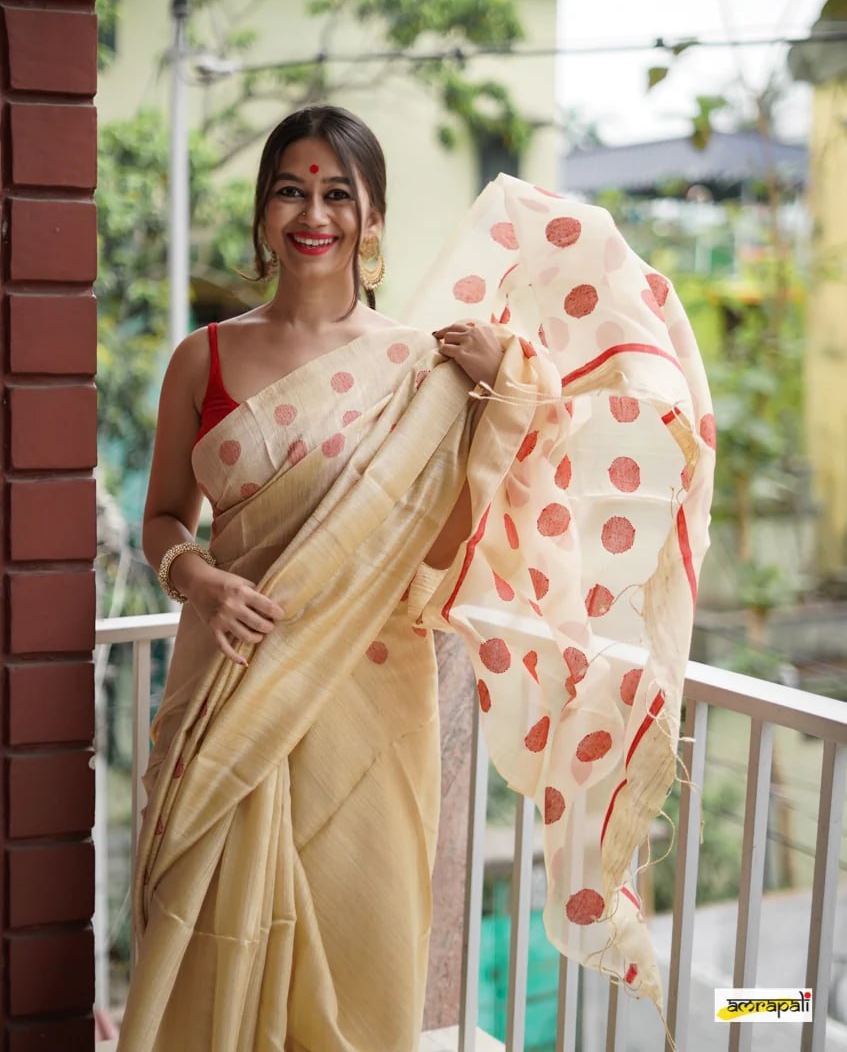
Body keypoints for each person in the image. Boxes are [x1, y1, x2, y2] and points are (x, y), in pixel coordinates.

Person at [118, 105, 714, 1052]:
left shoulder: (418, 368)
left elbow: (443, 552)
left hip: (371, 694)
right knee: (198, 931)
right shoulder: (205, 357)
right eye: (290, 190)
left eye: (336, 194)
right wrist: (195, 578)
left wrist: (500, 400)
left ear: (374, 219)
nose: (313, 213)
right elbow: (160, 520)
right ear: (263, 216)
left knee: (365, 946)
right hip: (225, 684)